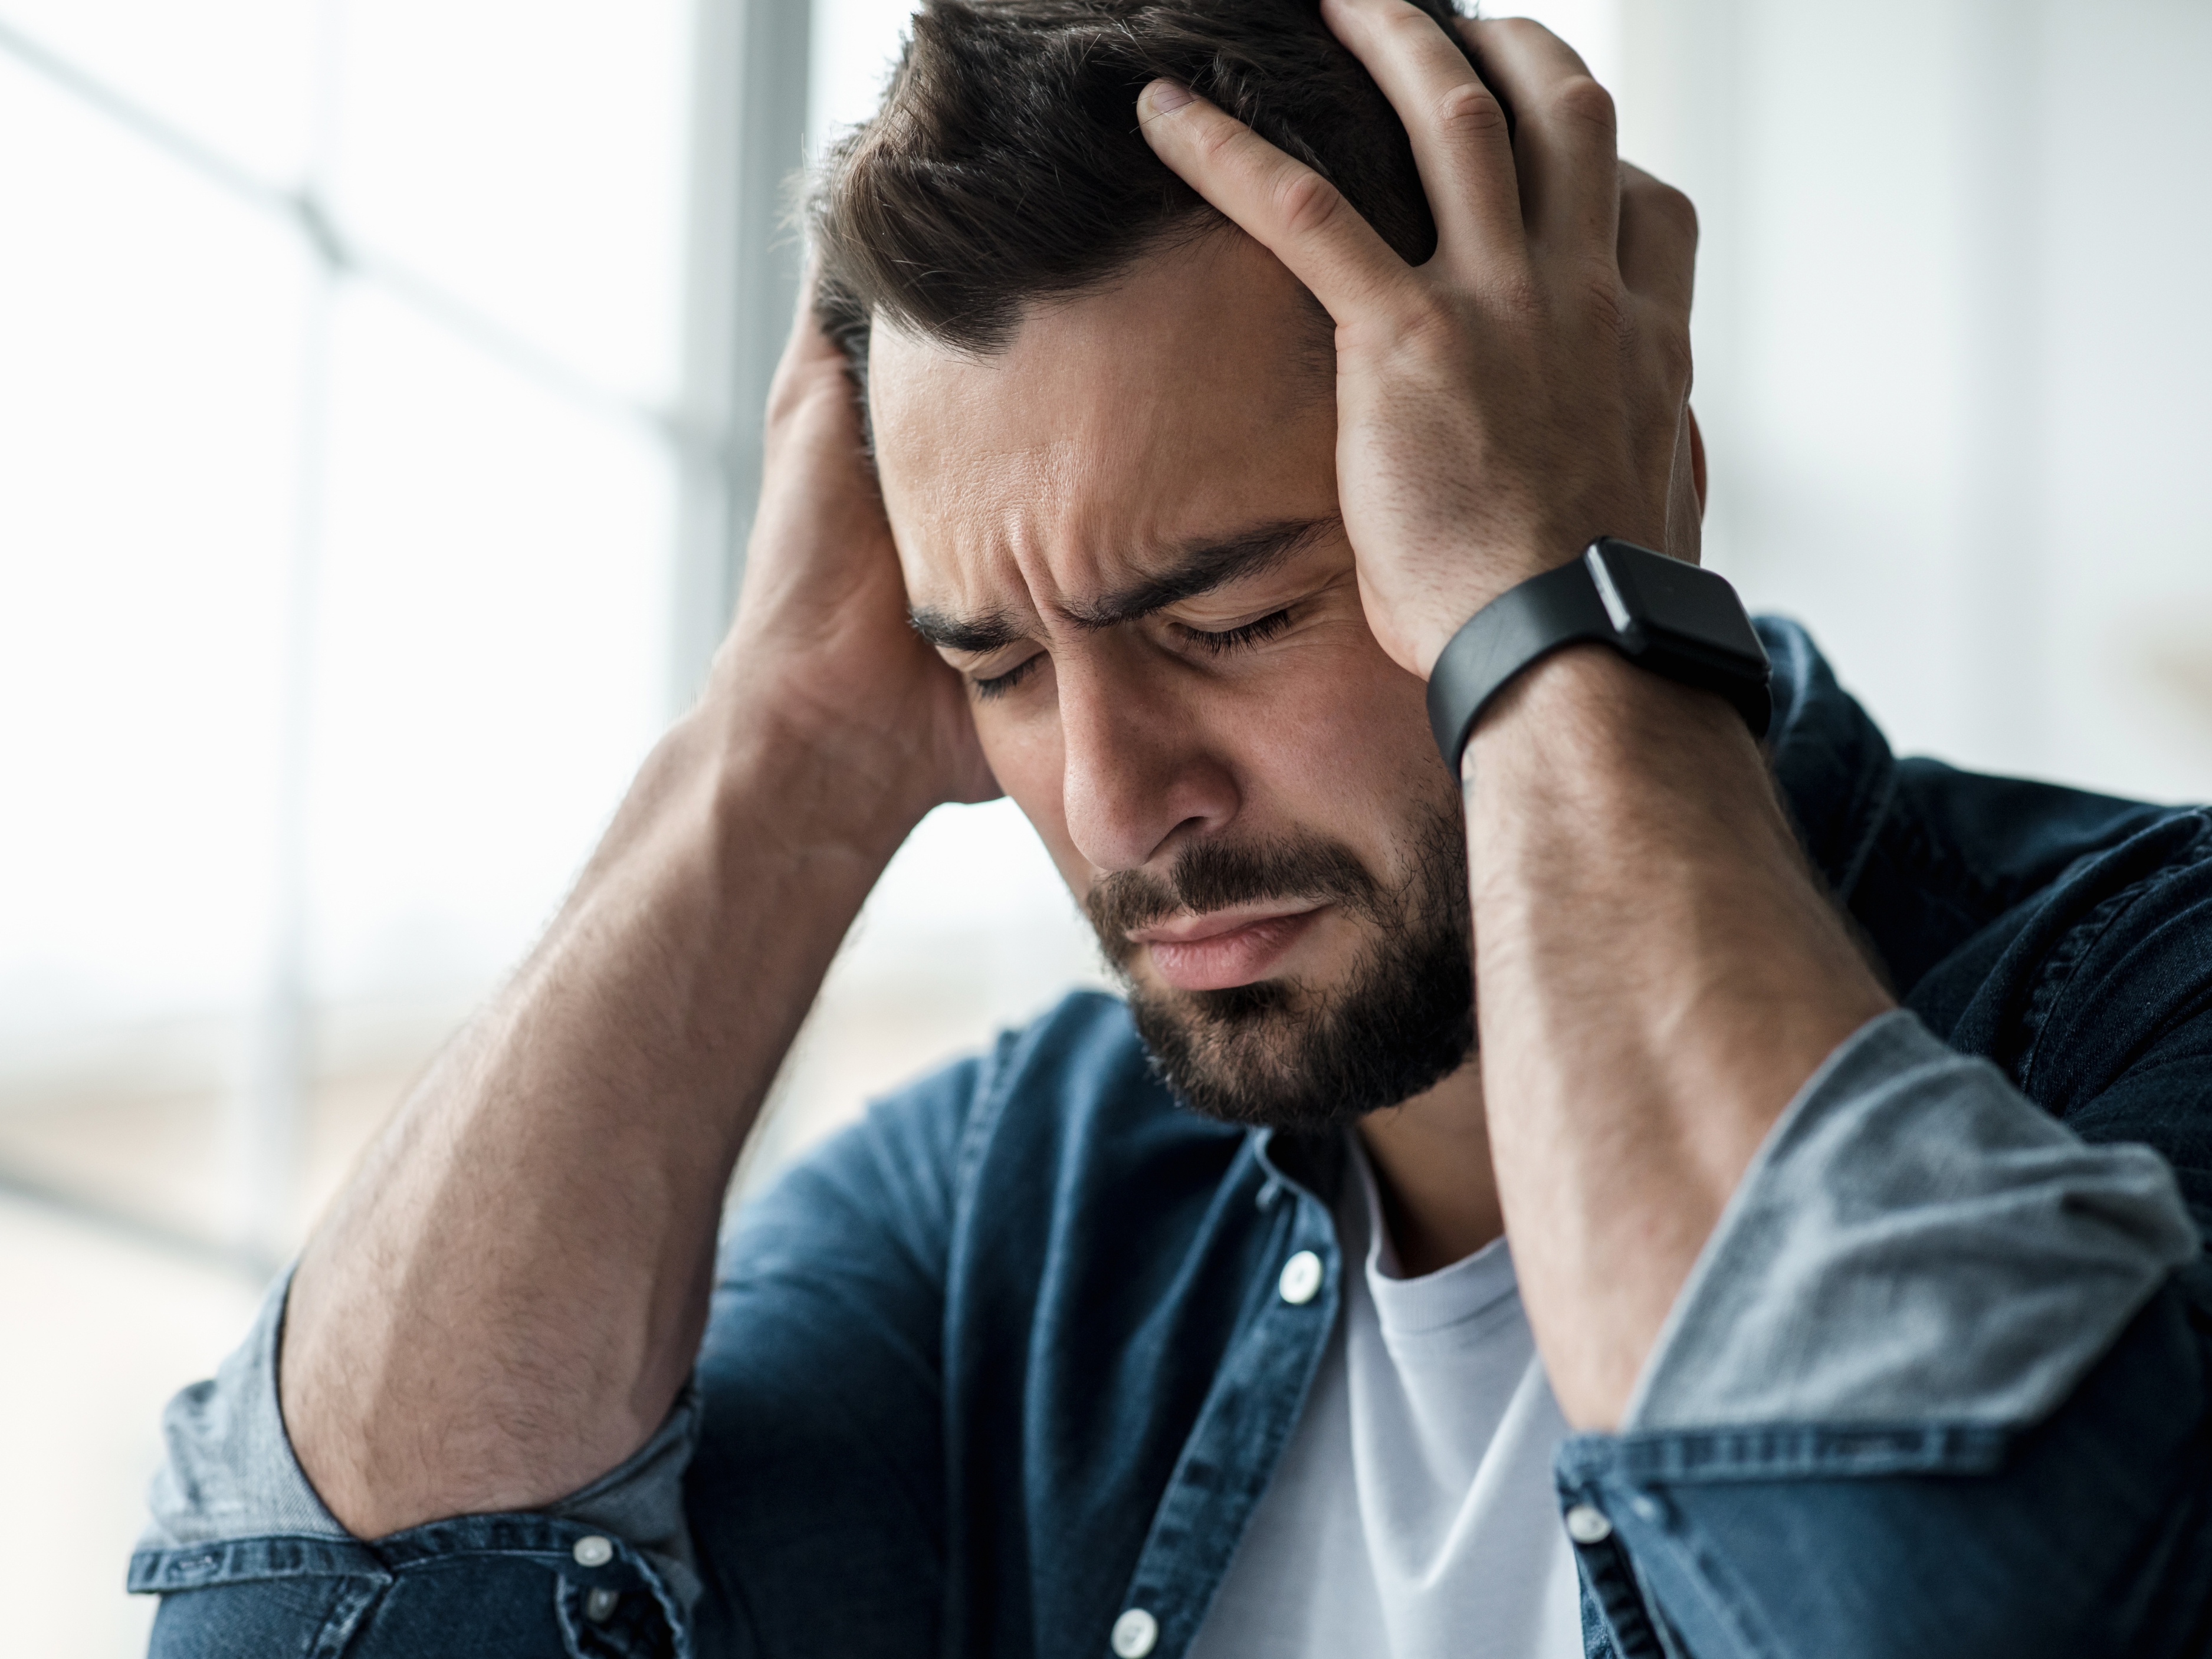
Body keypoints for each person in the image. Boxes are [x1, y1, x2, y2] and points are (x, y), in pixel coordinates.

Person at [130, 0, 2212, 1653]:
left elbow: (1953, 1586)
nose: (1117, 803)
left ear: (1573, 460)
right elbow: (350, 1631)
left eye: (1229, 614)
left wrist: (1570, 624)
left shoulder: (2150, 989)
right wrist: (779, 759)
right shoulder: (1005, 1215)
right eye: (1000, 664)